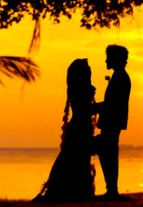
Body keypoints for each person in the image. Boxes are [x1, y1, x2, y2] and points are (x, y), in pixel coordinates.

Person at [33, 58, 97, 202]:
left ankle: (75, 190)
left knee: (76, 158)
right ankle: (74, 190)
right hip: (80, 126)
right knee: (75, 157)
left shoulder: (77, 88)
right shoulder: (79, 89)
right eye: (88, 71)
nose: (90, 73)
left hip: (81, 125)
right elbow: (83, 110)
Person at [93, 44, 131, 200]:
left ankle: (112, 189)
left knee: (108, 152)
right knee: (107, 152)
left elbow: (112, 104)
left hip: (112, 122)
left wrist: (93, 108)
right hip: (112, 121)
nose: (106, 60)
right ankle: (111, 188)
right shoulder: (119, 77)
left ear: (115, 59)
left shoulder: (120, 78)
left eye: (108, 58)